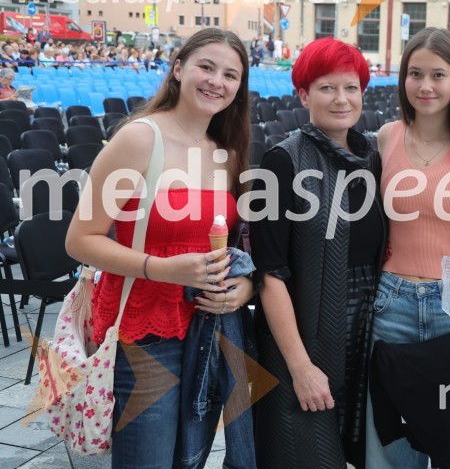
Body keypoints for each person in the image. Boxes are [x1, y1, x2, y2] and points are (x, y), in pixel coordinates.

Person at [65, 28, 255, 468]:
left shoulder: (225, 149)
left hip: (209, 328)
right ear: (178, 68)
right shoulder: (140, 138)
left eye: (230, 74)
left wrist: (240, 289)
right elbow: (80, 240)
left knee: (188, 460)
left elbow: (233, 241)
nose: (216, 81)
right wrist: (162, 269)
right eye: (206, 67)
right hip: (148, 332)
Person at [249, 37, 385, 469]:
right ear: (304, 94)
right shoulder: (281, 162)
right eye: (327, 88)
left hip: (364, 333)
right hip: (304, 337)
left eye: (351, 87)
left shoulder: (372, 159)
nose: (341, 99)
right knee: (306, 455)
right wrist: (300, 366)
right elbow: (270, 275)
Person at [365, 27, 450, 468]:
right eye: (415, 74)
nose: (425, 86)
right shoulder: (387, 138)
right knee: (396, 445)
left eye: (438, 75)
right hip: (392, 304)